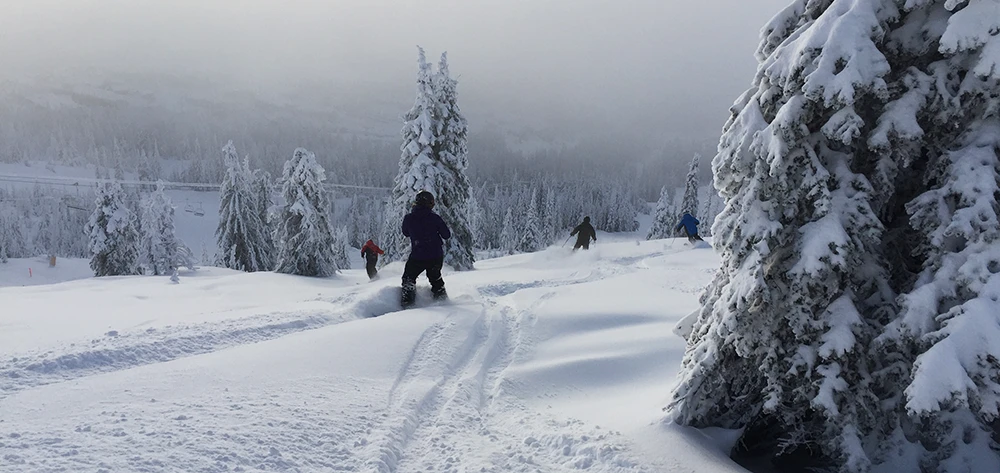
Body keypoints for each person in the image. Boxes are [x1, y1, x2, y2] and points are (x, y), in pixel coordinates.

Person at [401, 191, 451, 307]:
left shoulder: (409, 218)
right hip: (435, 255)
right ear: (429, 204)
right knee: (436, 279)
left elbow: (405, 233)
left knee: (408, 280)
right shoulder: (435, 218)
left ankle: (408, 306)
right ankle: (444, 304)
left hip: (417, 255)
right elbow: (446, 235)